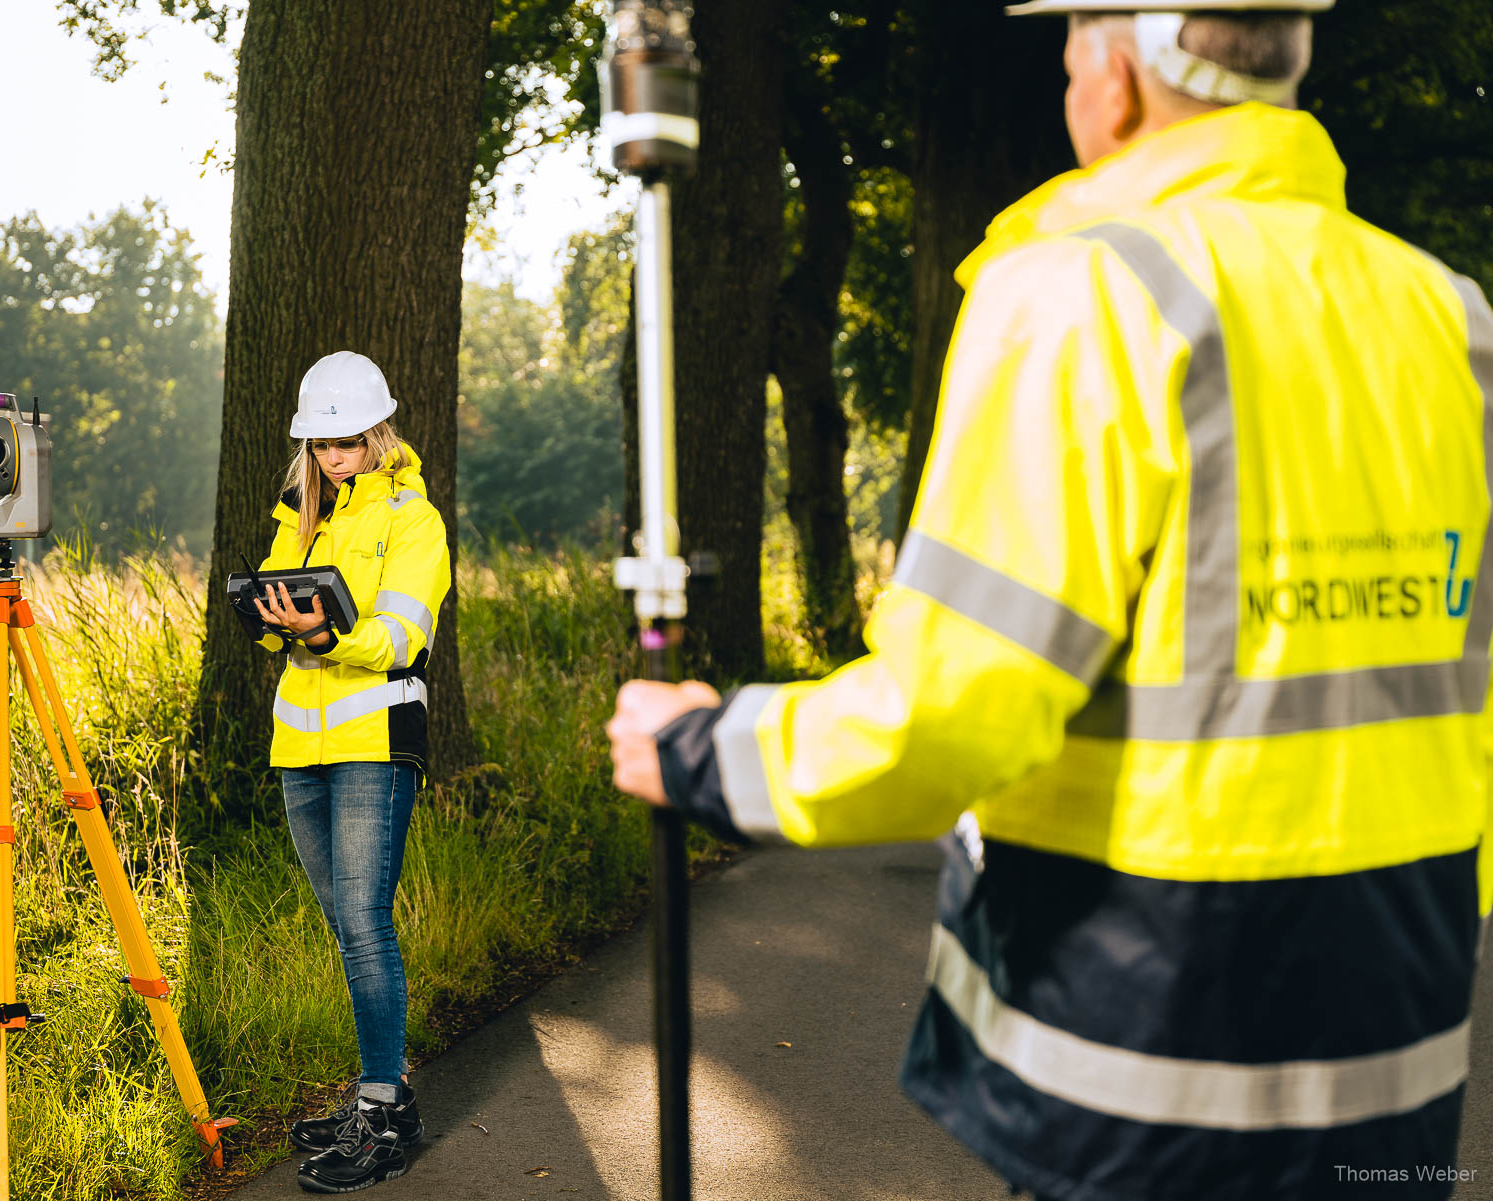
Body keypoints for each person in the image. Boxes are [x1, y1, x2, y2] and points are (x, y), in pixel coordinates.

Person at [606, 3, 1493, 1199]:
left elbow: (954, 712)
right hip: (1399, 1066)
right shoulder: (1453, 317)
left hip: (1146, 1075)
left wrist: (708, 752)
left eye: (1073, 35)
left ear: (1114, 74)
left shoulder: (1087, 292)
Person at [245, 350, 451, 1194]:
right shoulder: (301, 514)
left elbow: (405, 633)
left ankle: (382, 1115)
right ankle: (383, 1093)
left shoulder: (414, 518)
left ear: (376, 430)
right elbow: (269, 617)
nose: (333, 455)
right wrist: (271, 615)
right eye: (320, 443)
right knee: (346, 925)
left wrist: (331, 635)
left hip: (374, 743)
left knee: (365, 922)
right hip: (301, 746)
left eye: (346, 439)